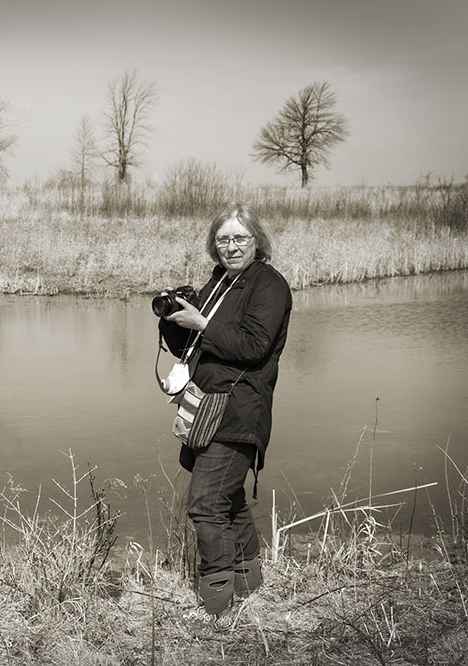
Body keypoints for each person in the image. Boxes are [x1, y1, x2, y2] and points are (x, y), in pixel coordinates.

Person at [158, 202, 292, 628]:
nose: (230, 247)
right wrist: (175, 320)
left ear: (257, 241)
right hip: (205, 403)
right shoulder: (218, 282)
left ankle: (216, 604)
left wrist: (201, 324)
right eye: (222, 240)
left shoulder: (268, 285)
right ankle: (248, 582)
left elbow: (253, 348)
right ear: (213, 246)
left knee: (205, 502)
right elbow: (190, 348)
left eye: (239, 238)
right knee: (229, 498)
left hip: (240, 409)